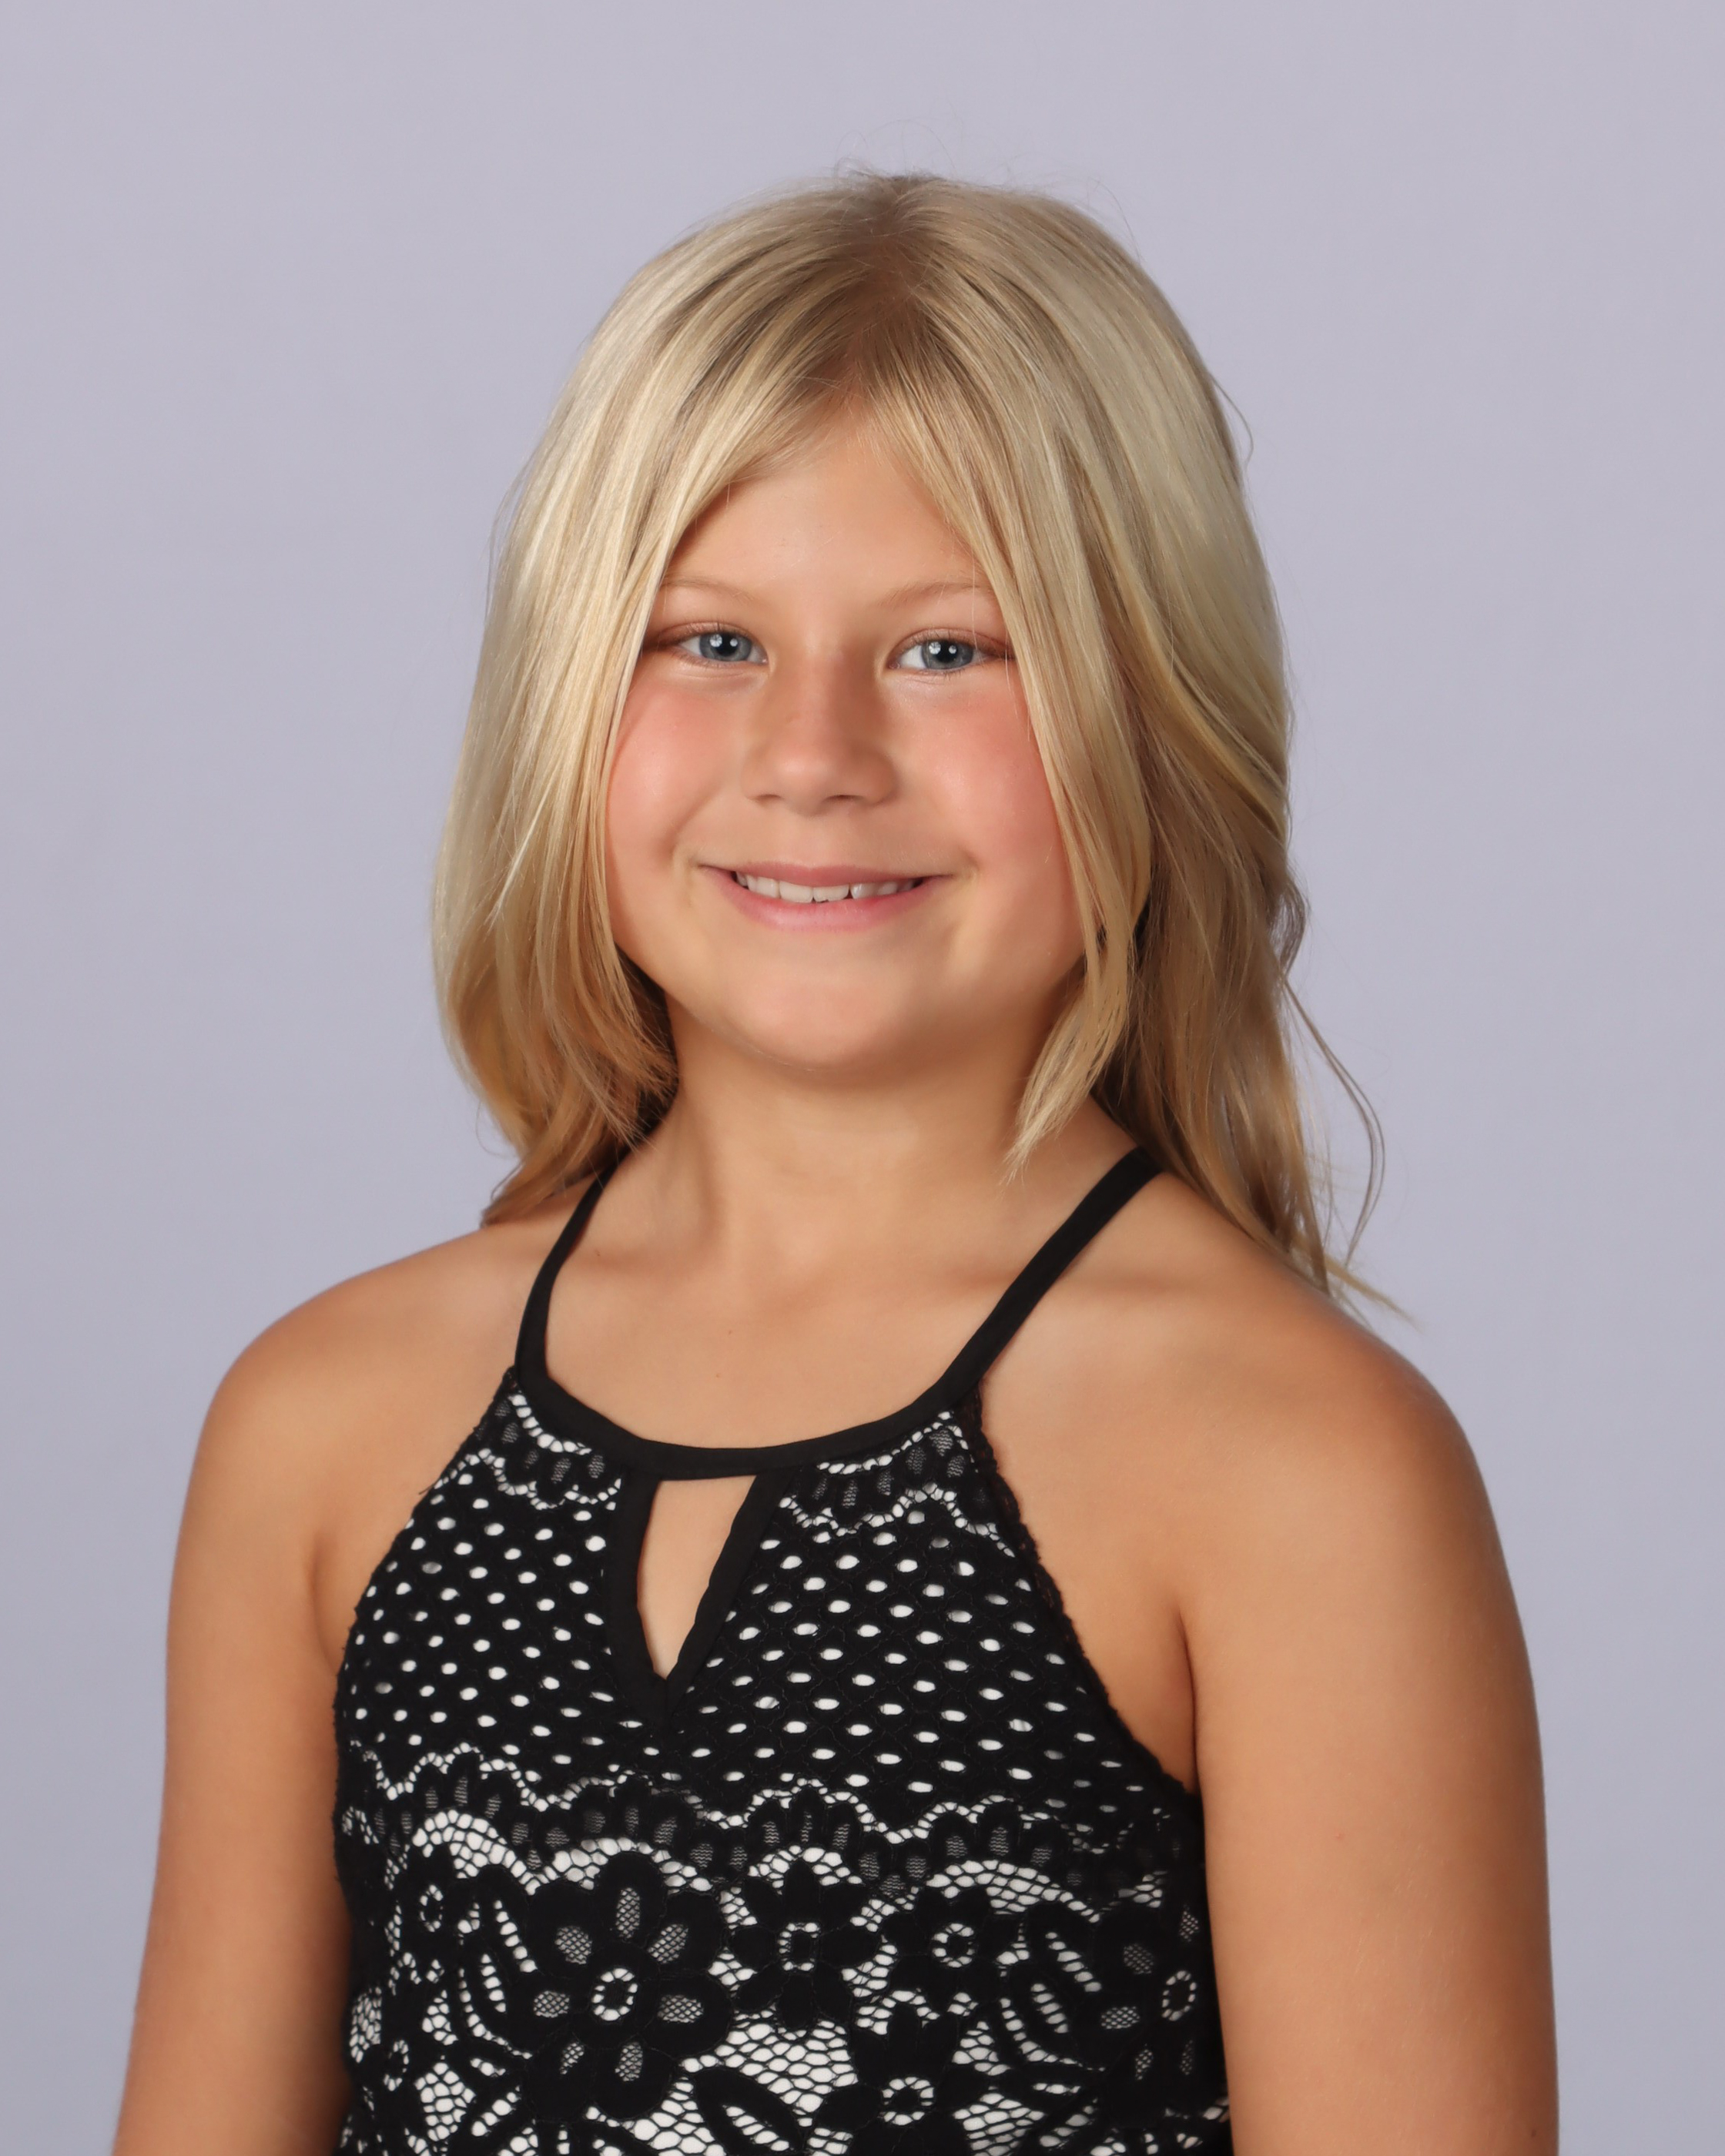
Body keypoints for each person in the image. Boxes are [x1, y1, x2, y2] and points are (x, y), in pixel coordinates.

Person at [113, 174, 1556, 2156]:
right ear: (563, 702)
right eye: (709, 637)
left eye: (948, 650)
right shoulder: (326, 1423)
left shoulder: (1295, 1467)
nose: (812, 754)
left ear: (1153, 713)